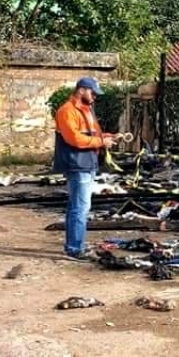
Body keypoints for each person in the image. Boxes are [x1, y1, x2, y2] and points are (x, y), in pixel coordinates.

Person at [53, 77, 115, 259]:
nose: (95, 96)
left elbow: (94, 134)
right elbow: (74, 138)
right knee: (81, 207)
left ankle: (74, 246)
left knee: (77, 207)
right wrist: (101, 141)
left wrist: (109, 137)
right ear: (81, 90)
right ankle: (75, 249)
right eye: (93, 92)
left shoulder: (87, 110)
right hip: (77, 164)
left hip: (86, 163)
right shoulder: (67, 111)